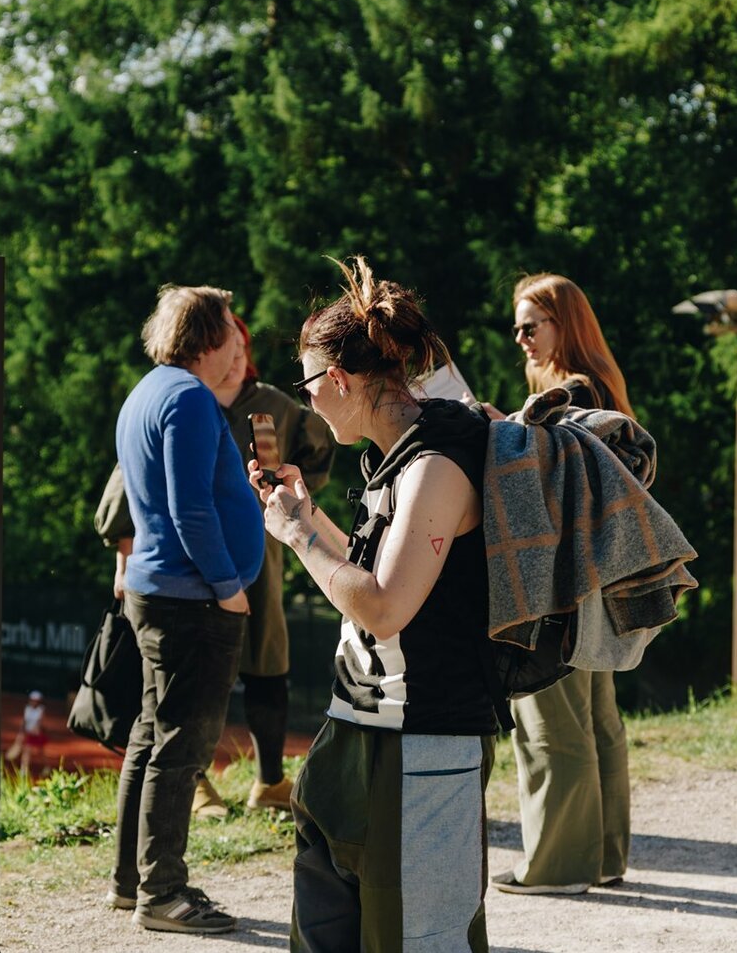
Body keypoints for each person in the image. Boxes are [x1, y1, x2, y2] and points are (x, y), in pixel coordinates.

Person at [253, 257, 499, 952]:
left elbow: (386, 605)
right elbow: (369, 574)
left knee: (417, 937)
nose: (307, 405)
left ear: (339, 380)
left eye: (308, 387)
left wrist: (299, 536)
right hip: (360, 724)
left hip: (423, 737)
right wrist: (306, 514)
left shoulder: (437, 464)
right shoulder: (394, 458)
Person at [96, 314, 335, 816]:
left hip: (260, 557)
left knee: (267, 659)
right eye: (230, 346)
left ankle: (270, 780)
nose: (235, 360)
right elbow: (134, 478)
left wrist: (293, 494)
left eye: (243, 350)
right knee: (194, 681)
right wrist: (124, 550)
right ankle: (196, 783)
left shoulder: (273, 404)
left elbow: (321, 444)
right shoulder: (185, 400)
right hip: (192, 568)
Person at [108, 284, 265, 935]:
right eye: (230, 327)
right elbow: (190, 508)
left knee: (151, 738)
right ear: (208, 337)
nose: (237, 339)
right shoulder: (190, 399)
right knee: (180, 747)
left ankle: (131, 882)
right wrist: (228, 584)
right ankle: (164, 895)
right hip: (190, 598)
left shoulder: (150, 391)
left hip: (159, 589)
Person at [487, 273, 634, 896]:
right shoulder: (599, 387)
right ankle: (601, 855)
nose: (520, 337)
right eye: (516, 326)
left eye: (531, 325)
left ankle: (556, 865)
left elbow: (543, 477)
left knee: (547, 714)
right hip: (592, 574)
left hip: (555, 577)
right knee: (596, 717)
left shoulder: (568, 392)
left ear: (563, 324)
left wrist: (500, 430)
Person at [8, 690, 48, 777]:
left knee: (40, 752)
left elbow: (40, 723)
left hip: (37, 734)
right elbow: (24, 721)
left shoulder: (41, 710)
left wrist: (35, 730)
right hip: (28, 734)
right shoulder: (27, 708)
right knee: (27, 751)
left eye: (36, 700)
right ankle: (24, 770)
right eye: (33, 699)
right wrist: (21, 733)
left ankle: (46, 767)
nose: (34, 701)